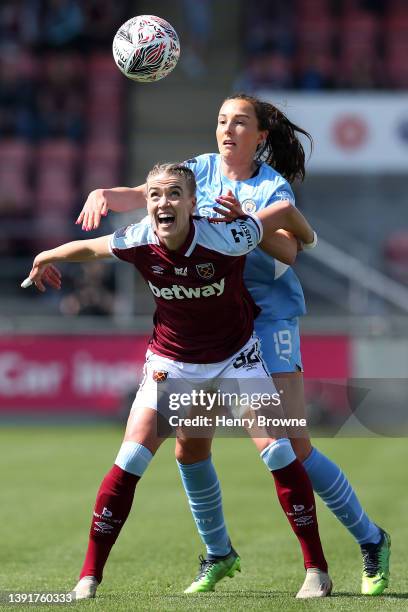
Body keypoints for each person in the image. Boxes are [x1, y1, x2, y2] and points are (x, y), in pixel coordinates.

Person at [76, 94, 391, 597]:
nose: (227, 129)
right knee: (189, 447)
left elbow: (290, 250)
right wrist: (103, 194)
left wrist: (245, 225)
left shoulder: (271, 186)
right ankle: (218, 553)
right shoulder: (199, 169)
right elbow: (146, 193)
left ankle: (370, 539)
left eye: (240, 121)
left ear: (260, 136)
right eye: (222, 120)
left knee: (294, 446)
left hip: (267, 318)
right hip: (214, 323)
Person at [26, 163, 331, 599]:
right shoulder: (138, 238)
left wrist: (310, 239)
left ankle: (316, 570)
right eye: (154, 196)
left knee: (279, 450)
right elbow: (90, 249)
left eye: (172, 195)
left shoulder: (227, 236)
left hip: (236, 359)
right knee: (131, 459)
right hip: (174, 364)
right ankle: (88, 577)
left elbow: (282, 213)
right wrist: (45, 256)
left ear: (192, 203)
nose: (161, 203)